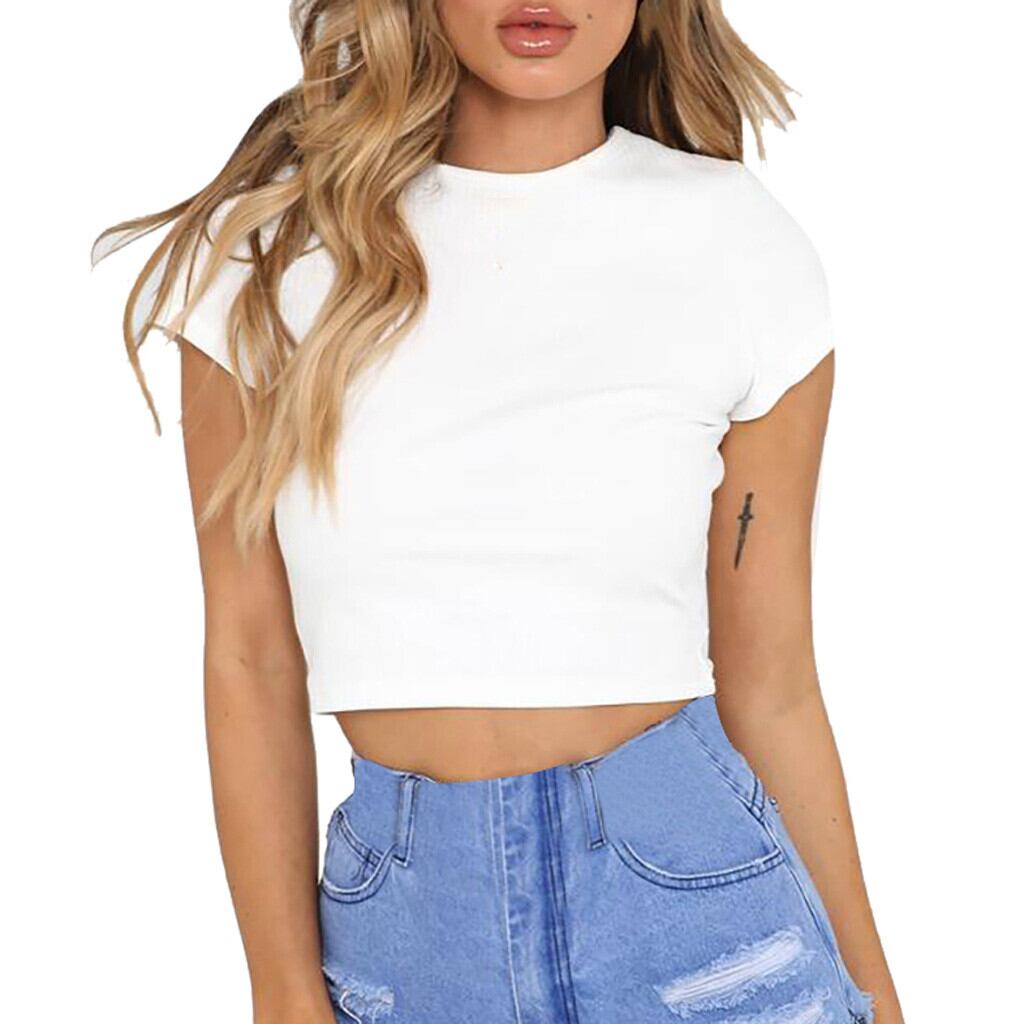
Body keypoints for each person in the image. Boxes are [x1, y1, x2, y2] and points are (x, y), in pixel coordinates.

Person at [93, 2, 903, 1022]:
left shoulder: (738, 242)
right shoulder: (267, 255)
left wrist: (875, 991)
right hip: (407, 936)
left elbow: (773, 683)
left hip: (698, 910)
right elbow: (248, 657)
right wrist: (282, 986)